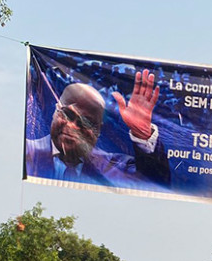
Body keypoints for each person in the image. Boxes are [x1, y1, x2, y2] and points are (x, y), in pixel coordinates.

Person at [25, 75, 170, 188]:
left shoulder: (115, 166)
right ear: (55, 112)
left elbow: (155, 183)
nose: (73, 126)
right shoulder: (26, 153)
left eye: (86, 122)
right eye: (68, 115)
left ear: (98, 131)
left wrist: (142, 133)